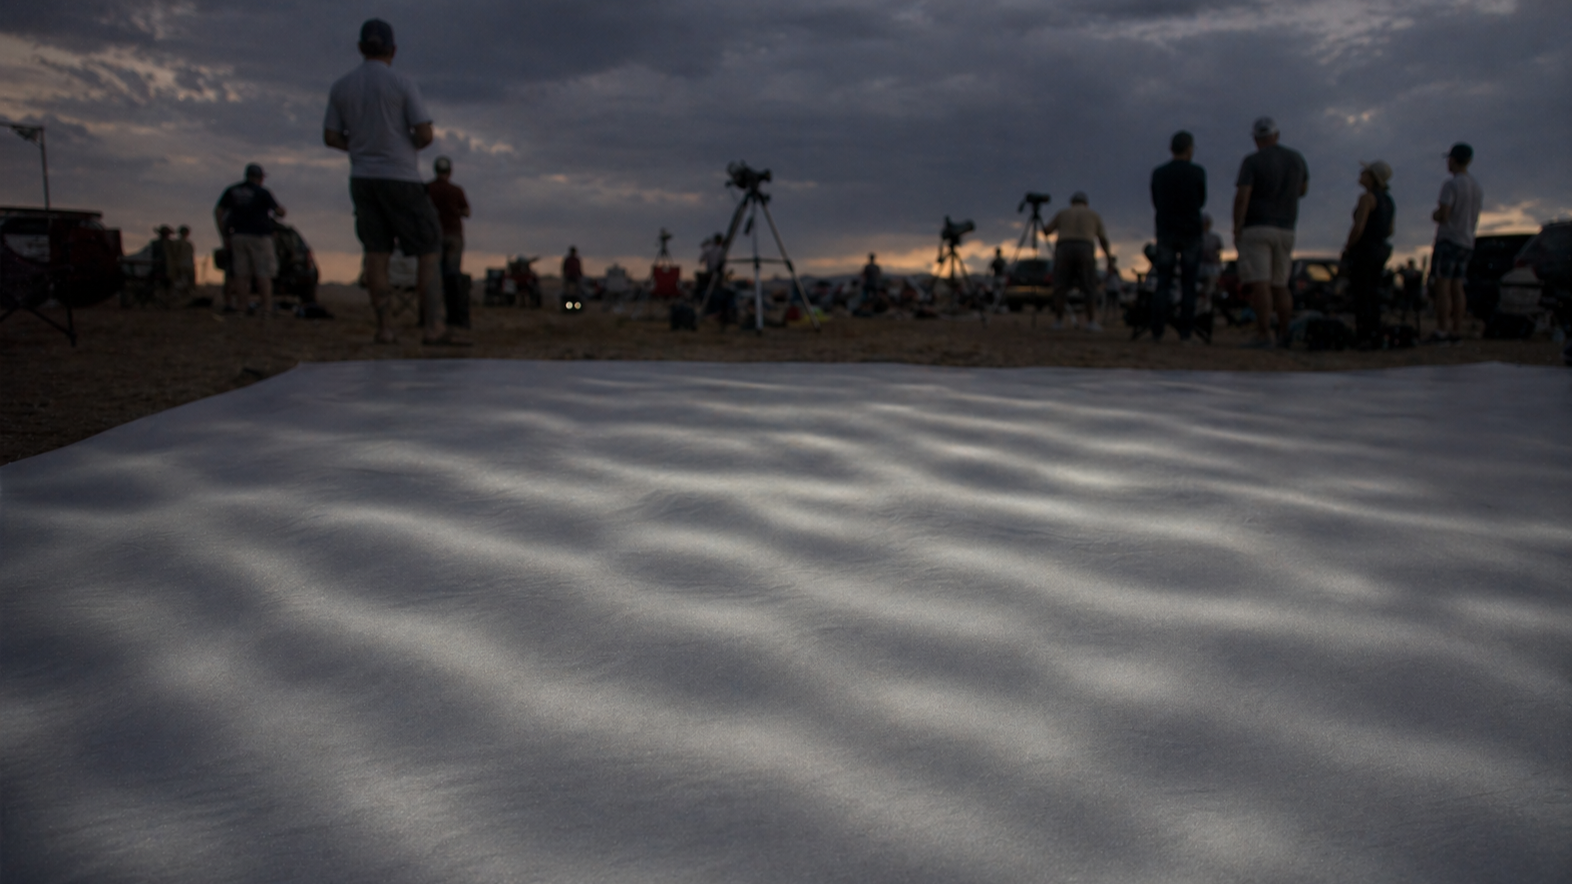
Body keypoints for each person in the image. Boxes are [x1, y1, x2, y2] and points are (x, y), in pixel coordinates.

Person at [324, 19, 461, 345]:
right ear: (393, 50)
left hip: (362, 178)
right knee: (428, 249)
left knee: (376, 252)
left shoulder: (342, 86)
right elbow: (425, 132)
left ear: (360, 48)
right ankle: (432, 327)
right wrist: (406, 145)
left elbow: (331, 136)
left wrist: (358, 147)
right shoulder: (402, 84)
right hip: (400, 176)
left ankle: (385, 328)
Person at [1232, 116, 1309, 348]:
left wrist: (1237, 225)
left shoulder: (1252, 162)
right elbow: (1302, 189)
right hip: (1286, 227)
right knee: (1280, 283)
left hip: (1257, 225)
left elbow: (1243, 195)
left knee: (1260, 282)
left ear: (1256, 139)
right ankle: (1284, 332)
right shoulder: (1296, 159)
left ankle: (1264, 334)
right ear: (1276, 135)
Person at [1150, 130, 1207, 343]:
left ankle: (1157, 330)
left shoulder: (1159, 173)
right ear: (1189, 148)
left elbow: (1155, 200)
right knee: (1188, 283)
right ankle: (1185, 332)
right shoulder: (1198, 173)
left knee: (1163, 281)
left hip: (1166, 230)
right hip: (1191, 231)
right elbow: (1201, 200)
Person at [214, 163, 285, 317]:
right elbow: (279, 211)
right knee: (263, 273)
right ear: (260, 178)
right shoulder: (263, 192)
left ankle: (241, 308)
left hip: (238, 235)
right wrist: (281, 212)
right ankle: (266, 309)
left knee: (241, 274)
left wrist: (224, 233)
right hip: (260, 236)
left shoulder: (232, 190)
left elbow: (218, 211)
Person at [1429, 143, 1482, 343]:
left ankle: (1442, 329)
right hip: (1466, 240)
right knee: (1457, 286)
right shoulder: (1476, 187)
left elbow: (1443, 214)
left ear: (1452, 160)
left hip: (1449, 238)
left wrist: (1435, 214)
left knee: (1442, 285)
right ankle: (1456, 330)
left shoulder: (1451, 185)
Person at [1341, 160, 1396, 348]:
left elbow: (1359, 227)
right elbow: (1390, 229)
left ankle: (1364, 334)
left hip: (1364, 251)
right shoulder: (1388, 200)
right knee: (1373, 293)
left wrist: (1348, 246)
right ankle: (1375, 333)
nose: (1361, 174)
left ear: (1372, 178)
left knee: (1361, 294)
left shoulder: (1367, 198)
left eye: (1365, 172)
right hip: (1380, 251)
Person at [1043, 192, 1114, 330]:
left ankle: (1058, 321)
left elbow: (1047, 230)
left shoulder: (1062, 213)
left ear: (1072, 203)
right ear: (1086, 203)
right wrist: (1109, 258)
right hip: (1085, 248)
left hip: (1064, 248)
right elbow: (1103, 239)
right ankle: (1091, 321)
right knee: (1089, 286)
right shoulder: (1093, 215)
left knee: (1060, 285)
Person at [425, 156, 471, 328]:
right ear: (450, 171)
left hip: (432, 236)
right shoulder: (456, 190)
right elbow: (466, 212)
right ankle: (454, 316)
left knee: (432, 276)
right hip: (453, 236)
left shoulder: (428, 189)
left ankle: (429, 316)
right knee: (452, 276)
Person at [1198, 213, 1224, 315]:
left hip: (1212, 268)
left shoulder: (1214, 237)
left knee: (1209, 289)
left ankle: (1207, 310)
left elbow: (1218, 253)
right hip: (1200, 268)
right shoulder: (1197, 237)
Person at [171, 225, 196, 304]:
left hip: (180, 266)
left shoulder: (176, 243)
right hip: (186, 266)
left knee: (181, 283)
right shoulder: (188, 244)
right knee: (185, 283)